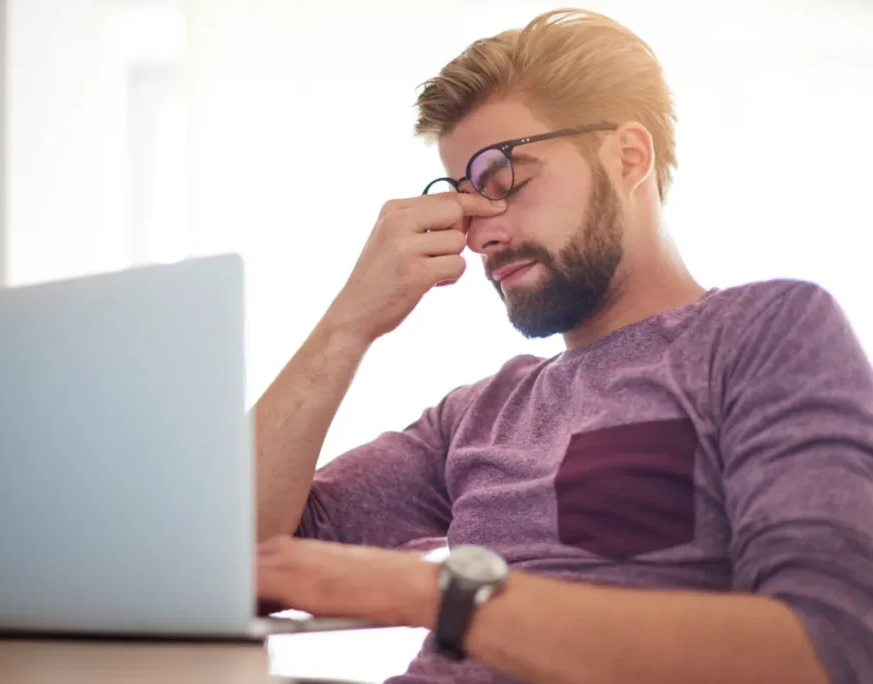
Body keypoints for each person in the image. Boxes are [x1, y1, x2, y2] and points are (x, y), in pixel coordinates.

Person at [253, 8, 873, 684]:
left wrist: (437, 595)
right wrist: (348, 324)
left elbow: (828, 649)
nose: (479, 234)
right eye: (462, 200)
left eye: (504, 181)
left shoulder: (763, 335)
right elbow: (244, 560)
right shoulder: (473, 418)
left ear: (628, 156)